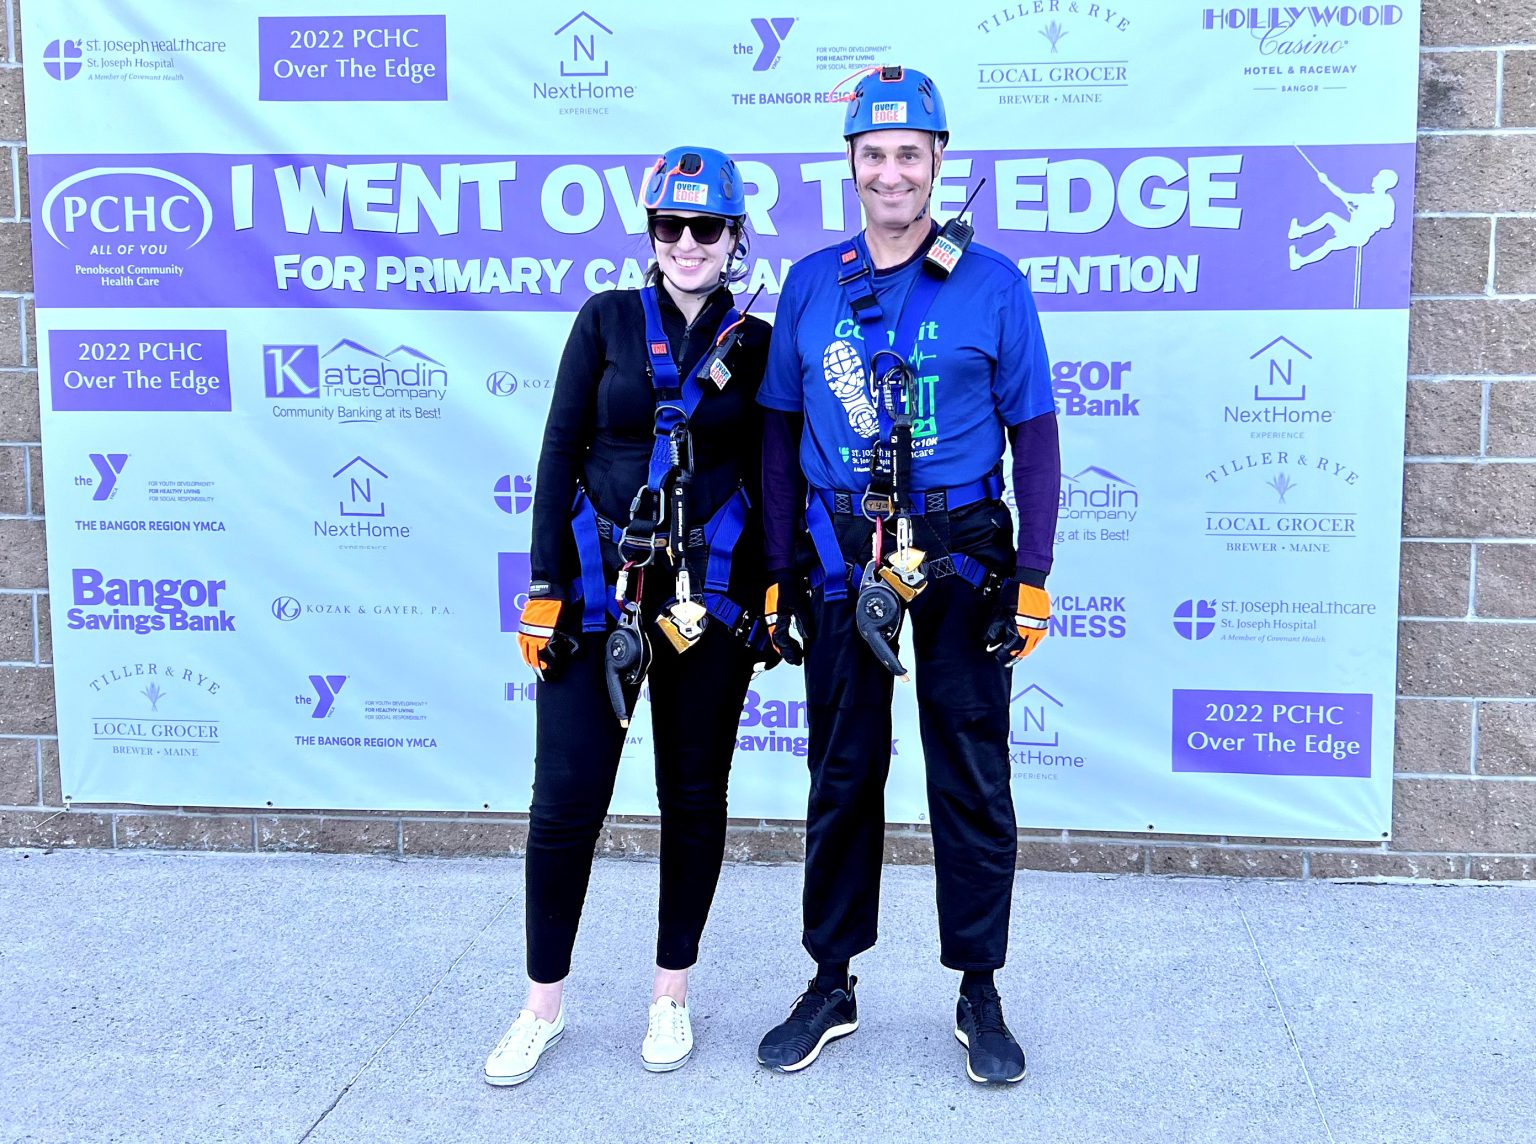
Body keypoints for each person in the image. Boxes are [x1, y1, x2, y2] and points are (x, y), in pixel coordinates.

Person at [753, 66, 1060, 1085]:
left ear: (938, 161)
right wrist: (779, 569)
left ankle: (979, 988)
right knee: (842, 769)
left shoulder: (994, 284)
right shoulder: (812, 282)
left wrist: (1034, 573)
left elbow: (1036, 434)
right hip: (845, 549)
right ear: (851, 164)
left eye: (910, 155)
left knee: (970, 769)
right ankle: (830, 980)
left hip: (963, 548)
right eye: (874, 154)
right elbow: (778, 434)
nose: (892, 172)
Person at [483, 146, 774, 1086]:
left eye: (706, 227)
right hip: (596, 595)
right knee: (565, 802)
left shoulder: (758, 344)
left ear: (734, 238)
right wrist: (543, 584)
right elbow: (558, 450)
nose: (687, 243)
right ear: (651, 234)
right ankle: (542, 1007)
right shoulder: (604, 319)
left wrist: (775, 589)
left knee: (692, 798)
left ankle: (669, 995)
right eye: (669, 226)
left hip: (707, 603)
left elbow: (773, 475)